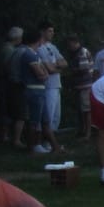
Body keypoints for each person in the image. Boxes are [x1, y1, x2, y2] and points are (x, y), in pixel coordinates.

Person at [11, 29, 47, 151]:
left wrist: (43, 73)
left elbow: (43, 72)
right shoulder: (28, 54)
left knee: (39, 119)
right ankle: (32, 146)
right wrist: (44, 73)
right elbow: (41, 74)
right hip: (33, 89)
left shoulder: (32, 54)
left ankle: (39, 144)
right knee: (34, 120)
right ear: (37, 40)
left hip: (36, 89)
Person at [34, 21, 66, 155]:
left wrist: (56, 67)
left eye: (53, 31)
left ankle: (49, 142)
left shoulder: (52, 47)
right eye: (49, 31)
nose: (52, 33)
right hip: (48, 86)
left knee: (55, 117)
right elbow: (49, 69)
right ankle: (40, 143)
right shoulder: (39, 48)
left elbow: (64, 63)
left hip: (56, 85)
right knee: (47, 115)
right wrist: (56, 67)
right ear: (42, 32)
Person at [62, 33, 95, 141]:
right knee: (81, 110)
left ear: (75, 43)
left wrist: (69, 71)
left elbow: (84, 68)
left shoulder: (82, 52)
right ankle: (83, 130)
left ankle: (88, 133)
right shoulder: (75, 52)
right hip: (79, 85)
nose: (68, 47)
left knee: (86, 110)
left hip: (85, 85)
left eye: (70, 44)